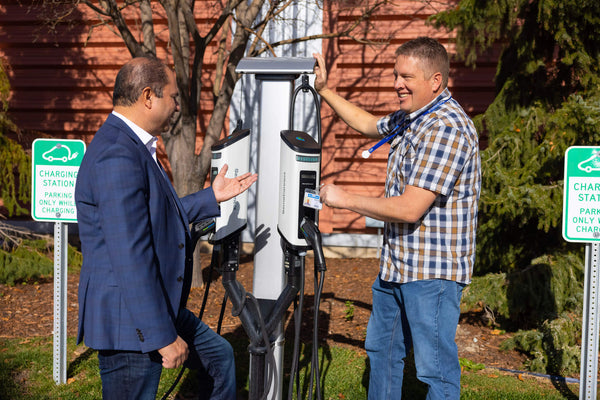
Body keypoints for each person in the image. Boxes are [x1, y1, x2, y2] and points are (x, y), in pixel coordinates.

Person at [75, 56, 257, 400]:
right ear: (148, 96)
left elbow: (150, 217)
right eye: (173, 97)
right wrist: (162, 336)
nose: (177, 106)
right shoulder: (117, 154)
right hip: (130, 322)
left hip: (155, 306)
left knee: (219, 358)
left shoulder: (133, 146)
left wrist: (211, 197)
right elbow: (130, 255)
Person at [313, 37, 481, 399]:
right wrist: (325, 90)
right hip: (396, 266)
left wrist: (345, 199)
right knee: (382, 352)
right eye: (395, 75)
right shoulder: (412, 118)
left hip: (431, 273)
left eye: (406, 77)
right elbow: (371, 125)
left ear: (435, 81)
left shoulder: (446, 128)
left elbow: (410, 208)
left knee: (435, 371)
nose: (396, 84)